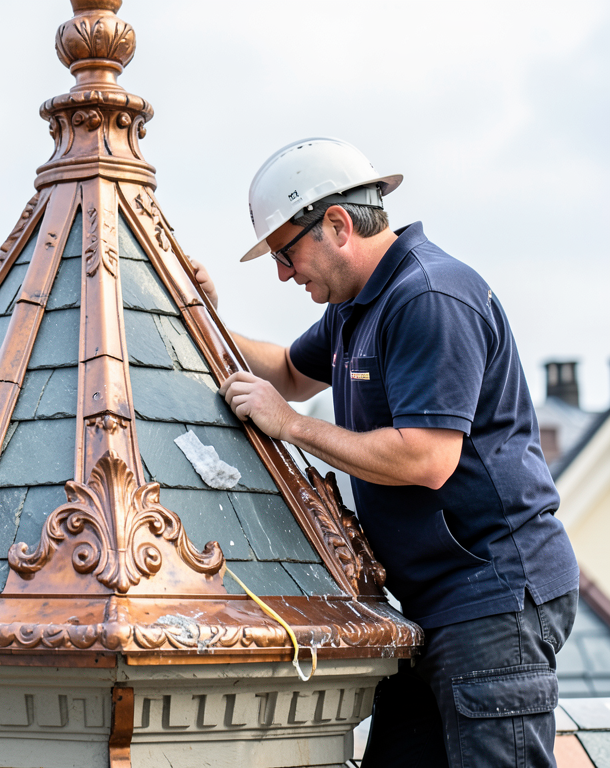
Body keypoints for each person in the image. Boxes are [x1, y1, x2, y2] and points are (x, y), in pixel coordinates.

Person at [195, 138, 578, 768]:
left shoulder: (428, 298)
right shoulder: (357, 305)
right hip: (433, 605)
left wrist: (291, 427)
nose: (286, 274)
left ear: (338, 225)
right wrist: (197, 316)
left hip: (492, 599)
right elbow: (289, 371)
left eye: (287, 253)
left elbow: (425, 460)